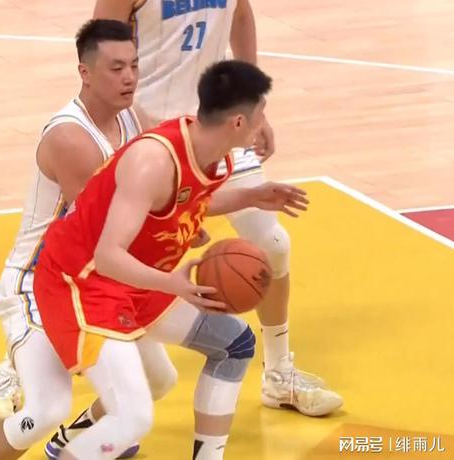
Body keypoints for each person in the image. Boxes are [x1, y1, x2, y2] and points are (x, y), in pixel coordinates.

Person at [0, 60, 307, 460]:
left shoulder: (213, 155)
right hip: (83, 283)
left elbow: (189, 199)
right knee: (131, 417)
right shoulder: (153, 160)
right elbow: (107, 256)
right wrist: (173, 283)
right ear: (238, 122)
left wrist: (251, 196)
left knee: (233, 345)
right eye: (261, 114)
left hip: (135, 281)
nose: (264, 124)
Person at [88, 0, 343, 418]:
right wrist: (127, 130)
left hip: (216, 124)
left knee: (272, 244)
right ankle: (21, 359)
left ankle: (279, 373)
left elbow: (240, 15)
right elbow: (99, 56)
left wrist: (253, 106)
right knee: (86, 252)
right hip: (150, 134)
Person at [0, 19, 179, 459]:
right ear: (85, 73)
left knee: (158, 380)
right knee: (46, 408)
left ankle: (75, 441)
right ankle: (17, 377)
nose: (129, 77)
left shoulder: (135, 117)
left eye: (134, 66)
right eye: (116, 68)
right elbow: (111, 230)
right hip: (39, 282)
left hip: (94, 280)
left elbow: (178, 157)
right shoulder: (70, 138)